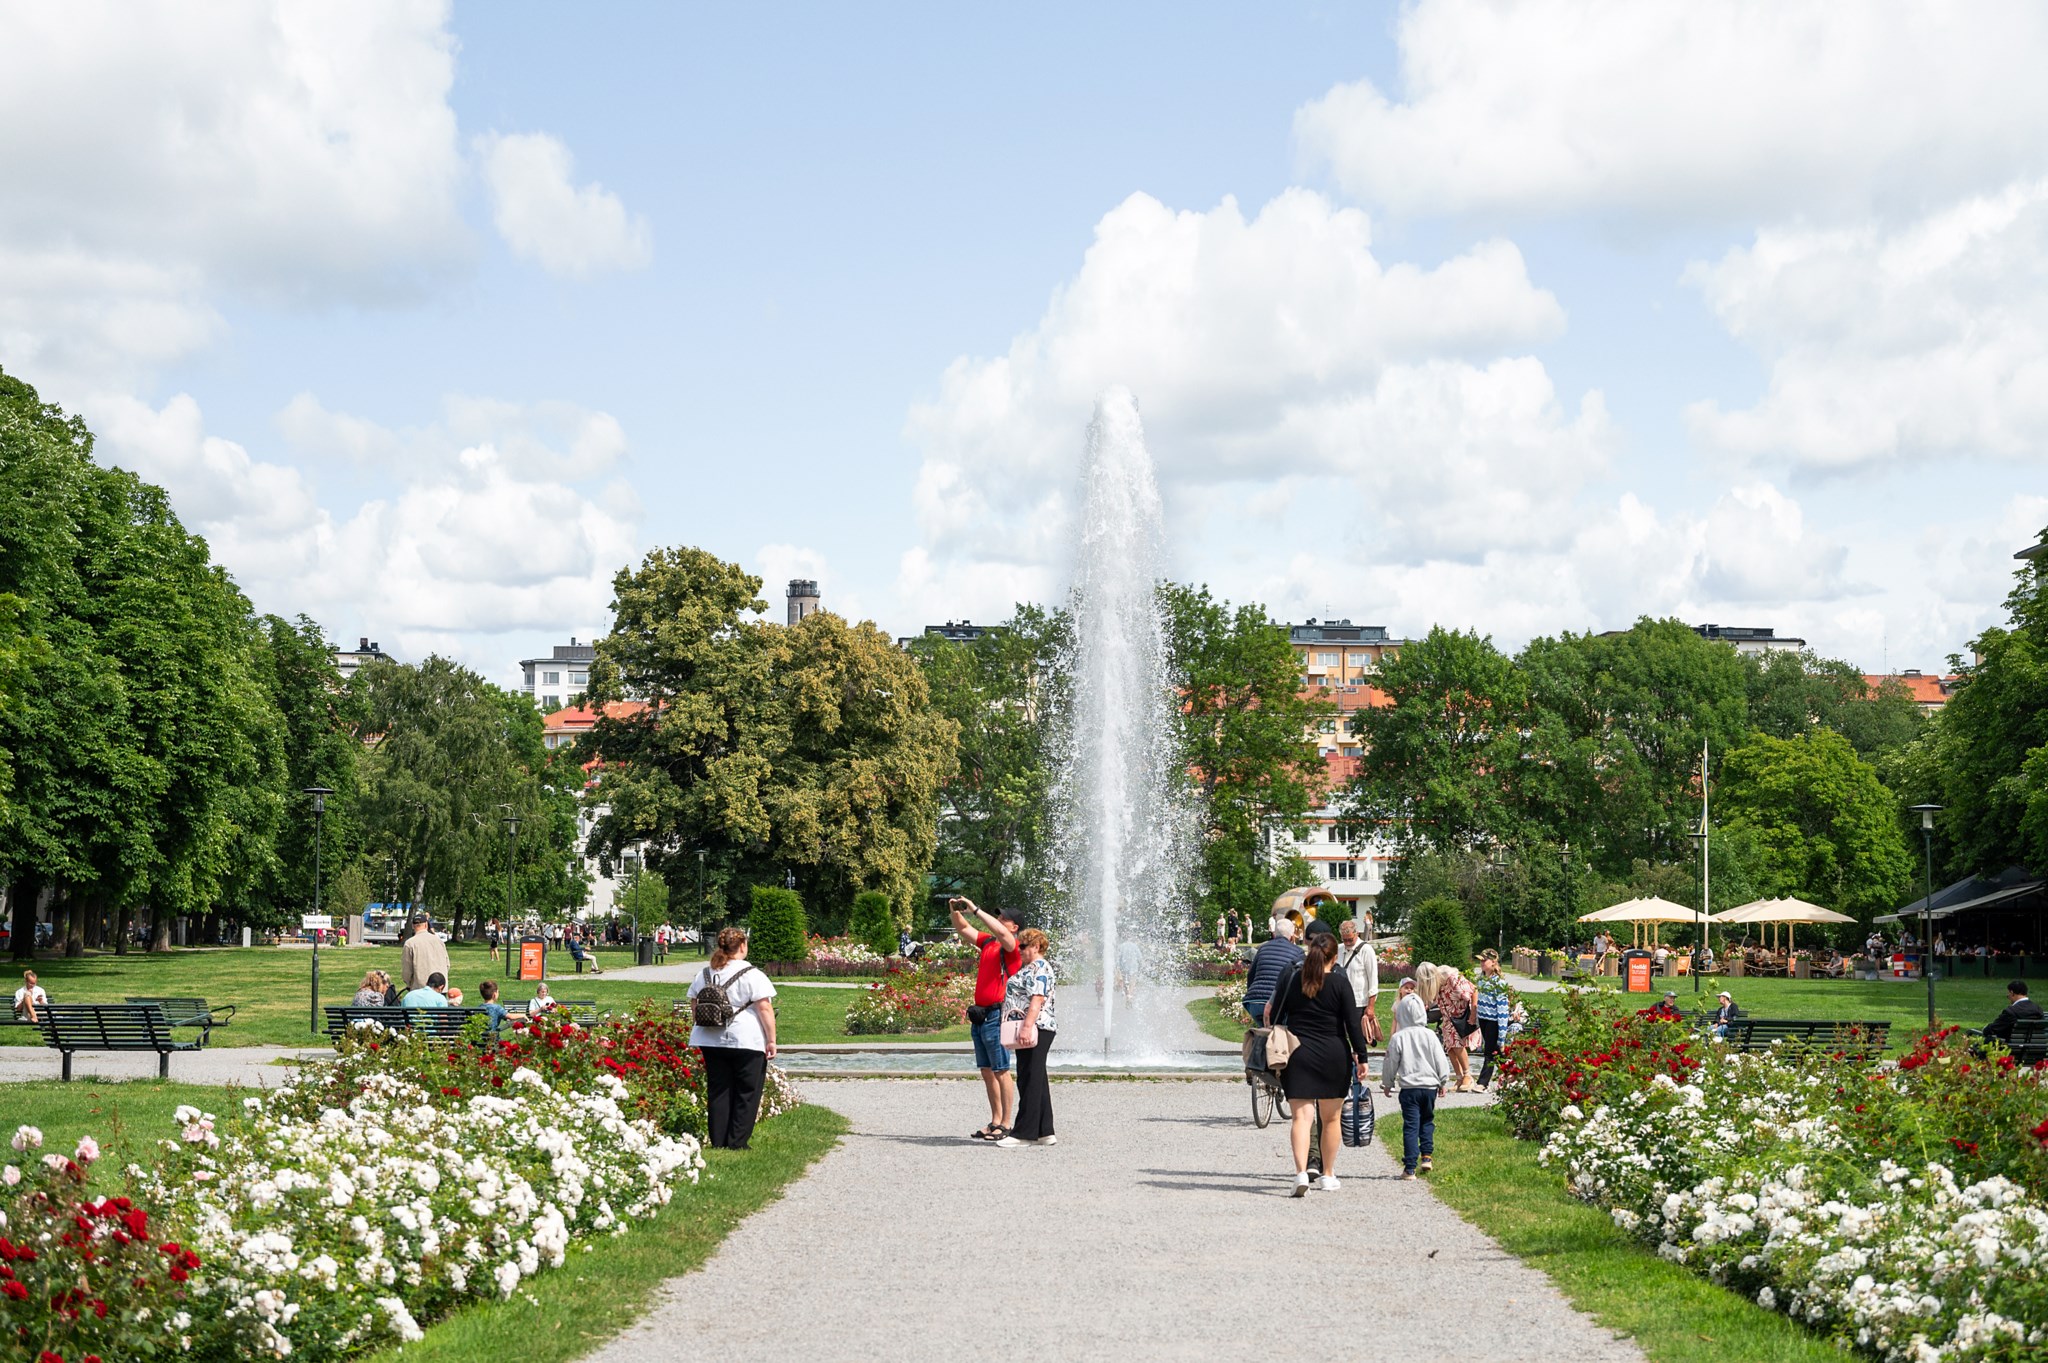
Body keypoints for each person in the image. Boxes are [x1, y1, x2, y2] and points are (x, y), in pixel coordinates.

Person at [1265, 932, 1370, 1196]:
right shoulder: (1339, 983)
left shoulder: (1293, 980)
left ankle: (1301, 1172)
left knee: (1301, 1118)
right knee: (1331, 1118)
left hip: (1298, 1054)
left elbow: (1276, 1012)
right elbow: (1352, 1024)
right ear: (1334, 958)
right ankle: (1328, 1174)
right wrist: (1362, 1056)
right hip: (1333, 1055)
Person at [687, 927, 779, 1150]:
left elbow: (694, 1003)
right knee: (747, 1091)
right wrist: (771, 1040)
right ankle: (737, 1142)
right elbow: (764, 1008)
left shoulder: (705, 973)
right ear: (743, 946)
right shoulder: (752, 974)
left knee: (719, 1090)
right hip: (745, 1039)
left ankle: (718, 1141)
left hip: (710, 1039)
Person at [951, 896, 1021, 1142]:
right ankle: (995, 1120)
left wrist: (976, 910)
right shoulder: (989, 942)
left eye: (1005, 918)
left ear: (1015, 927)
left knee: (1001, 1070)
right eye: (999, 916)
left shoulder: (1010, 945)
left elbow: (1001, 932)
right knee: (987, 1070)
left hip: (996, 1014)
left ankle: (1006, 1123)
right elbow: (964, 929)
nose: (1000, 920)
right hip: (980, 1014)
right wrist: (955, 911)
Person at [1380, 989, 1454, 1179]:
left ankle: (1410, 1168)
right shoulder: (1430, 1035)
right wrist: (1442, 1081)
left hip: (1409, 1089)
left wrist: (1387, 1083)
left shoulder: (1399, 1037)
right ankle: (1427, 1156)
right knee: (1427, 1120)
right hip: (1429, 1088)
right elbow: (1440, 1060)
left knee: (1411, 1125)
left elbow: (1390, 1063)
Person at [996, 929, 1060, 1148]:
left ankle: (1024, 1133)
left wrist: (1026, 1026)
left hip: (1036, 1027)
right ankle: (1045, 1130)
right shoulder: (1031, 968)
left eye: (1023, 946)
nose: (1019, 950)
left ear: (1036, 946)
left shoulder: (1040, 968)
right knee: (1036, 1077)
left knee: (1028, 1078)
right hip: (1036, 1027)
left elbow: (1037, 999)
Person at [1243, 919, 1304, 1027]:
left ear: (1274, 933)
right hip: (1277, 1002)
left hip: (1254, 1001)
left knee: (1264, 1033)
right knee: (1279, 1036)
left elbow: (1251, 974)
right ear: (1292, 935)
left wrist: (1251, 991)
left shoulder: (1263, 948)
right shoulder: (1298, 952)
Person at [1336, 920, 1382, 1048]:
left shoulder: (1366, 950)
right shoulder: (1339, 949)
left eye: (1350, 940)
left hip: (1358, 1003)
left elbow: (1373, 980)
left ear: (1357, 934)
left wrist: (1371, 1006)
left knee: (1358, 1039)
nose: (1348, 943)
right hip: (1339, 1002)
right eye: (1345, 940)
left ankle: (1361, 1063)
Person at [1434, 965, 1479, 1091]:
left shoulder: (1455, 980)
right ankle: (1459, 1077)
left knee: (1458, 1046)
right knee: (1450, 1049)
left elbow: (1473, 990)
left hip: (1459, 1017)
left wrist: (1473, 1012)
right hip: (1448, 1019)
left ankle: (1467, 1075)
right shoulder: (1440, 985)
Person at [1474, 955, 1514, 1089]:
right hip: (1483, 1019)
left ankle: (1482, 1083)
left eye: (1485, 960)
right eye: (1480, 960)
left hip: (1494, 1020)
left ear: (1494, 962)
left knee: (1489, 1052)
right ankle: (1512, 1076)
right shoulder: (1481, 980)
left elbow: (1503, 1008)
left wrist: (1502, 1034)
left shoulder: (1499, 982)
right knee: (1497, 1052)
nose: (1482, 963)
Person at [399, 911, 451, 994]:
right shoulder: (439, 941)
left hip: (420, 988)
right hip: (440, 987)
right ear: (426, 925)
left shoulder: (410, 943)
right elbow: (447, 964)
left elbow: (407, 969)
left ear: (413, 926)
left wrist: (408, 983)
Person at [1983, 980, 2045, 1045]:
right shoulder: (2038, 1010)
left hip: (2013, 1049)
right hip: (2037, 1048)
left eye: (2008, 994)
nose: (2008, 997)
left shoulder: (2010, 1012)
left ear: (2012, 993)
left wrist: (1985, 1029)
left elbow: (1993, 1029)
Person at [1116, 936, 1143, 1005]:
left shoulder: (1121, 946)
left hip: (1124, 967)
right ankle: (1129, 996)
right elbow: (1140, 957)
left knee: (1125, 982)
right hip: (1133, 967)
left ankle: (1127, 994)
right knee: (1132, 982)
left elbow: (1117, 958)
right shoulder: (1135, 946)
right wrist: (1141, 966)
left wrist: (1117, 968)